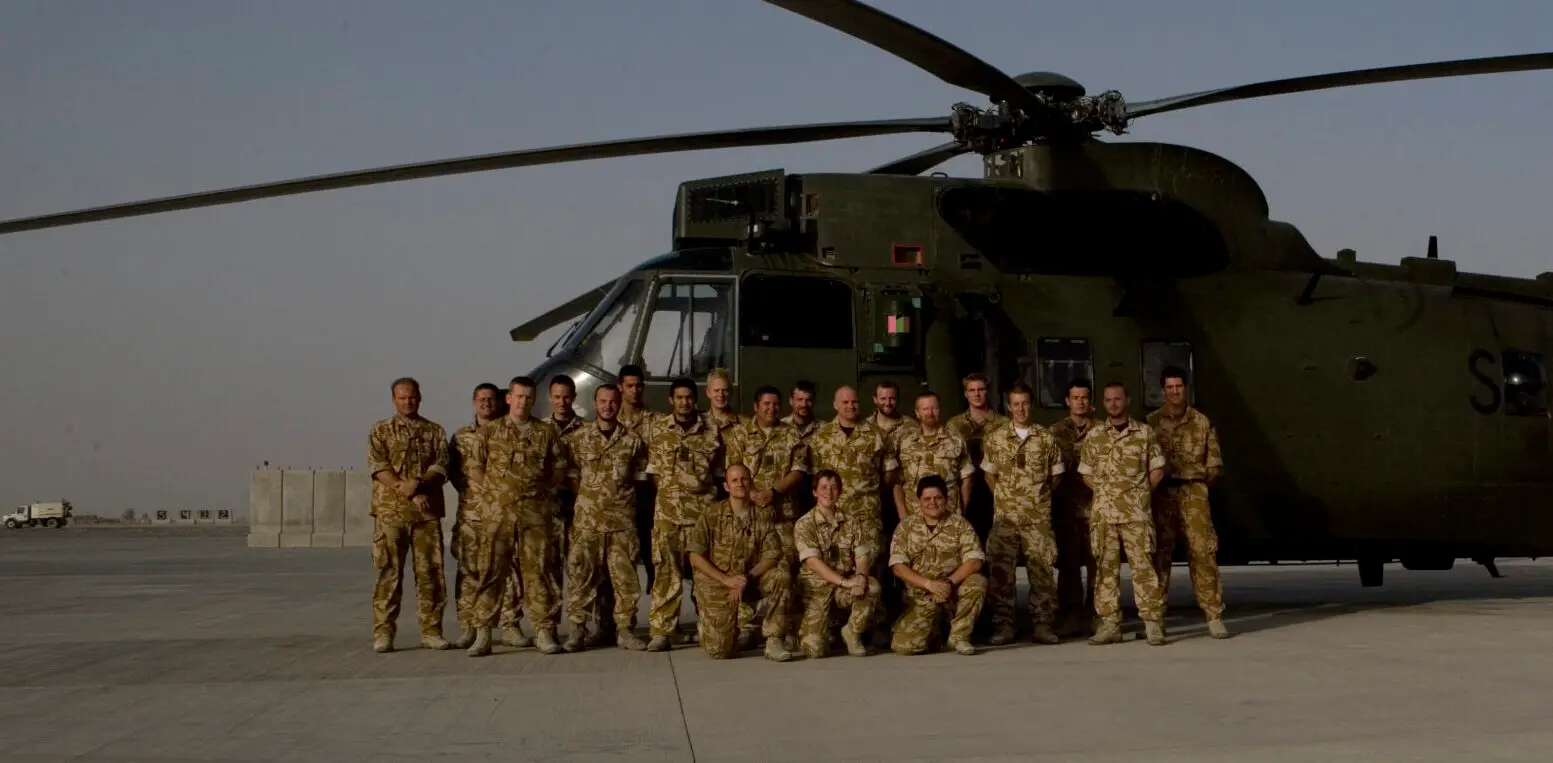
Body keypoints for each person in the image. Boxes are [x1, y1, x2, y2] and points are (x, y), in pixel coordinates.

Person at [465, 376, 567, 656]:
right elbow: (474, 466)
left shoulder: (545, 432)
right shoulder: (491, 431)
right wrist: (491, 494)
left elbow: (559, 466)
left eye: (529, 398)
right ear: (508, 398)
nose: (523, 402)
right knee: (491, 572)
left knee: (539, 573)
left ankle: (543, 631)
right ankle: (484, 631)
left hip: (534, 516)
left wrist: (544, 488)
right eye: (519, 396)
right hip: (498, 516)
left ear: (534, 401)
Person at [560, 384, 649, 651]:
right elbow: (572, 477)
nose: (608, 406)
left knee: (625, 579)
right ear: (595, 403)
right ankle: (577, 630)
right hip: (588, 522)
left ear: (619, 403)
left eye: (612, 402)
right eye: (603, 401)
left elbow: (641, 479)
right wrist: (593, 498)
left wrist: (617, 499)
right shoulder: (579, 438)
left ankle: (625, 630)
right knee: (581, 577)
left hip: (621, 524)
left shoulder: (632, 441)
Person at [366, 377, 452, 653]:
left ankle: (431, 631)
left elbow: (441, 466)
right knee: (389, 574)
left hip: (426, 516)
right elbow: (378, 466)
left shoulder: (434, 431)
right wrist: (407, 489)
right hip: (391, 514)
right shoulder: (381, 430)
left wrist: (420, 484)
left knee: (431, 574)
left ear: (420, 397)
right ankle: (383, 632)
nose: (408, 401)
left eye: (412, 397)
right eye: (402, 397)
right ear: (394, 400)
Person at [1079, 382, 1168, 646]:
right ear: (1103, 404)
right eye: (1108, 400)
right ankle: (1109, 625)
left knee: (1143, 569)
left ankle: (1153, 623)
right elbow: (1085, 473)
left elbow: (1157, 469)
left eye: (1117, 399)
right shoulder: (1095, 436)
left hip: (1136, 516)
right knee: (1106, 572)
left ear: (1126, 400)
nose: (1113, 404)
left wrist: (1139, 494)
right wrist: (1107, 492)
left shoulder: (1144, 433)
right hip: (1105, 516)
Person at [1146, 366, 1231, 639]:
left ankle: (1214, 615)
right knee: (1159, 557)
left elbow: (1215, 463)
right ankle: (1155, 619)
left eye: (1178, 387)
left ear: (1186, 388)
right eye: (1169, 387)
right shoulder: (1151, 423)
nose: (1174, 392)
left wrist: (1199, 482)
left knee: (1203, 554)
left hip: (1193, 493)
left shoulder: (1202, 422)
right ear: (1163, 391)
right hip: (1162, 495)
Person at [723, 385, 810, 646]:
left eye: (775, 405)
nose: (771, 409)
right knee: (744, 567)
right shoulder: (740, 434)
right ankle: (746, 624)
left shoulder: (791, 434)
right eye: (766, 404)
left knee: (786, 570)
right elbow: (733, 470)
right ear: (756, 406)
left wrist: (772, 492)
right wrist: (751, 495)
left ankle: (782, 627)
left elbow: (798, 471)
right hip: (748, 517)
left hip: (782, 517)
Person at [979, 382, 1065, 645]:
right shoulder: (995, 438)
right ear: (1009, 406)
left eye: (1025, 403)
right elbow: (989, 474)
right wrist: (1006, 498)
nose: (1020, 409)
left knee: (1042, 573)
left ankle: (1043, 626)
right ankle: (1004, 626)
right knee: (1001, 575)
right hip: (1006, 519)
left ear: (1032, 405)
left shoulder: (1046, 438)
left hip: (1037, 520)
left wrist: (1036, 498)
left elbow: (1056, 477)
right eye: (1015, 404)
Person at [685, 464, 794, 662]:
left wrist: (746, 578)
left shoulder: (762, 515)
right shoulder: (711, 514)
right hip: (717, 583)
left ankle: (774, 639)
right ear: (726, 486)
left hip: (749, 578)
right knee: (721, 651)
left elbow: (773, 553)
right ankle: (710, 630)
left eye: (744, 479)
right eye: (734, 480)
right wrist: (726, 580)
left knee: (781, 576)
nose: (740, 484)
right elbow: (695, 556)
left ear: (750, 482)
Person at [643, 377, 722, 652]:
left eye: (688, 397)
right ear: (671, 400)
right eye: (679, 397)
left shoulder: (711, 431)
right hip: (668, 517)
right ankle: (663, 631)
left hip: (701, 517)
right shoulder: (659, 430)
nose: (684, 402)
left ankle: (710, 625)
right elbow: (654, 474)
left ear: (695, 400)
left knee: (706, 575)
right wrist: (671, 496)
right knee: (666, 573)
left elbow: (720, 474)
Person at [448, 383, 525, 649]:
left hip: (504, 515)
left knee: (509, 572)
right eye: (481, 399)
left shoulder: (510, 432)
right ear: (473, 403)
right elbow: (456, 474)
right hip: (472, 515)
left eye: (490, 399)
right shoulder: (461, 437)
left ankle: (510, 625)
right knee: (469, 572)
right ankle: (469, 626)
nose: (486, 403)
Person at [888, 475, 986, 656]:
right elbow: (898, 567)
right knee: (904, 647)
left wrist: (949, 583)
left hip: (952, 591)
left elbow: (975, 561)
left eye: (938, 498)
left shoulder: (960, 525)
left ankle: (959, 637)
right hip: (921, 596)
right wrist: (929, 585)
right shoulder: (906, 527)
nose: (932, 503)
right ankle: (934, 633)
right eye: (927, 499)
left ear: (946, 499)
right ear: (919, 501)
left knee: (977, 582)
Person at [792, 469, 877, 658]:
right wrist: (844, 582)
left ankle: (852, 633)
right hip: (816, 591)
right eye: (823, 487)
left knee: (871, 586)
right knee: (815, 650)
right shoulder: (804, 524)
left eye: (833, 488)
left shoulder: (852, 522)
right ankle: (807, 631)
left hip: (843, 587)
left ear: (840, 491)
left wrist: (861, 577)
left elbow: (862, 555)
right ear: (814, 492)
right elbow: (813, 563)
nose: (828, 492)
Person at [1049, 378, 1099, 637]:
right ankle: (1070, 616)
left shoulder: (1102, 430)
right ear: (1067, 401)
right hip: (1066, 507)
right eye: (1075, 397)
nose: (1080, 402)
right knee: (1068, 565)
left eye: (1084, 397)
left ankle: (1098, 616)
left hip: (1096, 508)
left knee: (1098, 563)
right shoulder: (1054, 432)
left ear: (1090, 402)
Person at [891, 391, 974, 519]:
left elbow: (967, 479)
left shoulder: (955, 440)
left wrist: (961, 512)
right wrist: (902, 515)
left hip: (949, 516)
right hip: (914, 518)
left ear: (939, 410)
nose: (930, 413)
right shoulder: (905, 442)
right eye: (925, 409)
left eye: (934, 408)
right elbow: (897, 482)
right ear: (917, 413)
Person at [946, 373, 1008, 542]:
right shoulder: (954, 425)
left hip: (994, 491)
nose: (977, 394)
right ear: (966, 394)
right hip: (965, 491)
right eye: (972, 390)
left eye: (981, 389)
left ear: (987, 391)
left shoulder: (1003, 424)